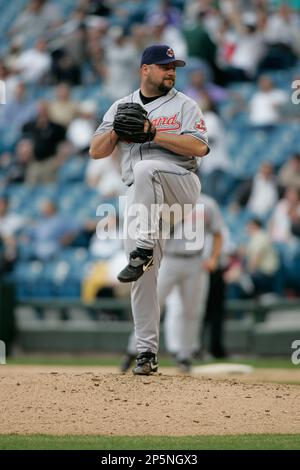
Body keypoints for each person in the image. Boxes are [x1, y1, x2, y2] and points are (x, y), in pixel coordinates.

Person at [90, 44, 209, 375]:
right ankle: (145, 353)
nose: (171, 71)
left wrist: (154, 132)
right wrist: (117, 128)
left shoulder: (185, 105)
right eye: (164, 66)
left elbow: (200, 147)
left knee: (147, 168)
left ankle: (143, 247)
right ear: (145, 70)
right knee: (141, 276)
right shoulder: (121, 105)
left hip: (180, 184)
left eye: (174, 67)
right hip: (139, 198)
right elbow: (96, 151)